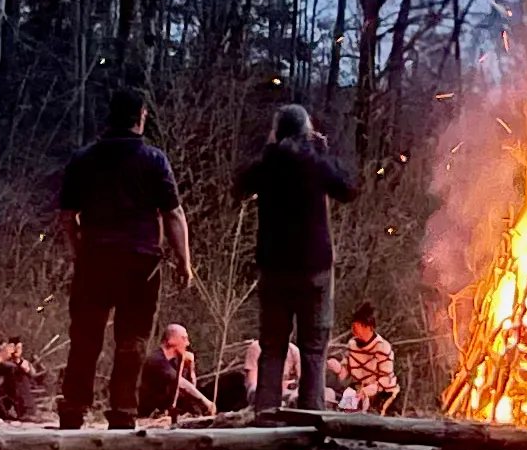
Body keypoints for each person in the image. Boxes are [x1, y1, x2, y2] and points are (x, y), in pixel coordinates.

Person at [55, 86, 191, 429]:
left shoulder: (83, 159)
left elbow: (67, 216)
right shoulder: (153, 160)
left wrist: (76, 253)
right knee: (132, 339)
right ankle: (123, 411)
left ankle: (74, 407)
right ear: (141, 117)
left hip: (95, 258)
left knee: (85, 336)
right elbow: (173, 214)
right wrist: (183, 261)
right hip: (141, 263)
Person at [233, 102, 358, 411]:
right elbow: (348, 189)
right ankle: (311, 416)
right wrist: (324, 151)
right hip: (314, 267)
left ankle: (265, 414)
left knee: (272, 346)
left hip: (273, 267)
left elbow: (238, 186)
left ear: (277, 131)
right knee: (314, 348)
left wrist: (269, 149)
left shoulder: (267, 163)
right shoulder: (315, 163)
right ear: (307, 130)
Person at [331, 304, 400, 413]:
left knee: (374, 416)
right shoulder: (352, 344)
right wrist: (339, 368)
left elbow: (387, 377)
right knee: (345, 411)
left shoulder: (382, 346)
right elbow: (347, 374)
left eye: (358, 328)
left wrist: (375, 387)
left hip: (382, 391)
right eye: (353, 328)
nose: (355, 332)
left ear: (369, 328)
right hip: (358, 389)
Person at [135, 322, 204, 422]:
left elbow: (188, 391)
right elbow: (180, 383)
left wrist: (190, 367)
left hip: (168, 415)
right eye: (184, 338)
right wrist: (205, 401)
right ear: (171, 340)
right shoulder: (156, 360)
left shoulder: (174, 362)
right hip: (149, 416)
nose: (187, 343)